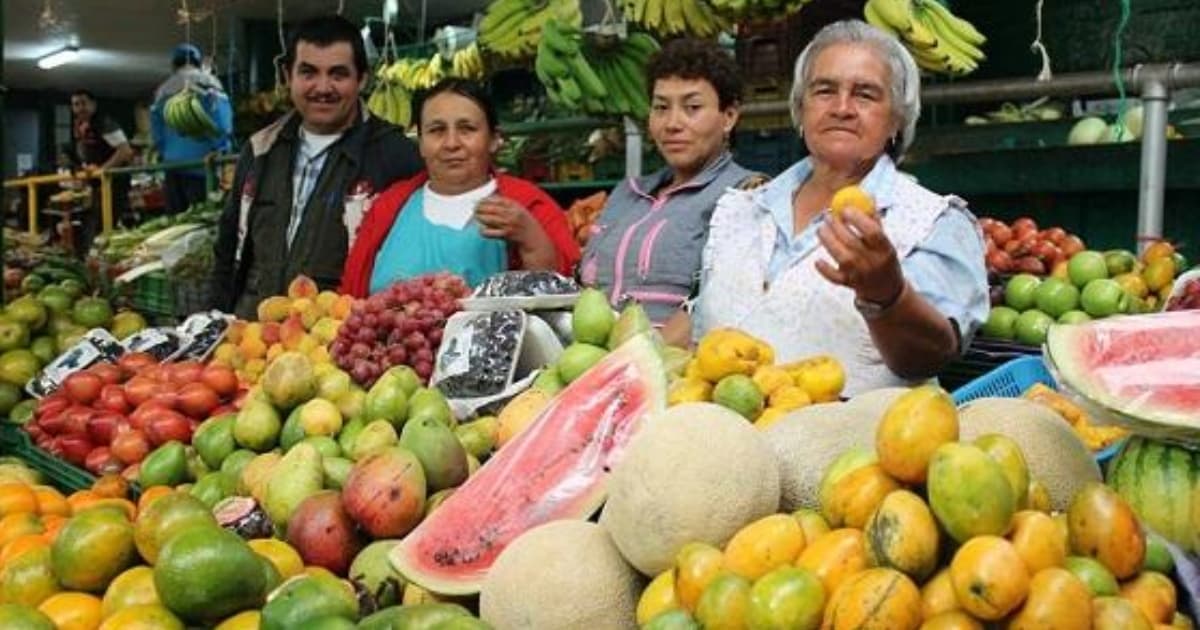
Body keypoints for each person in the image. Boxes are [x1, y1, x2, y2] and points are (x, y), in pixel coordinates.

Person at [692, 20, 989, 396]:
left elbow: (931, 356)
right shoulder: (741, 208)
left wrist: (888, 295)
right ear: (800, 109)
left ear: (896, 119)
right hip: (722, 427)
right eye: (824, 90)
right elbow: (701, 334)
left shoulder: (934, 221)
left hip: (856, 433)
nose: (842, 108)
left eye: (865, 94)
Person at [211, 14, 422, 318]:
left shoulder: (395, 156)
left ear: (362, 79)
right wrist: (214, 319)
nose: (323, 87)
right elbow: (227, 248)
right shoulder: (260, 150)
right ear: (288, 76)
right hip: (253, 333)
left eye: (338, 74)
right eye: (308, 72)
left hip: (340, 335)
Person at [578, 38, 760, 345]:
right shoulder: (626, 194)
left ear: (729, 116)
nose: (672, 123)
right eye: (661, 107)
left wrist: (638, 361)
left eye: (692, 108)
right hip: (592, 359)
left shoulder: (747, 194)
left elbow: (720, 304)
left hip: (681, 367)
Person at [340, 78, 580, 296]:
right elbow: (351, 298)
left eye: (467, 129)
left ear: (494, 139)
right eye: (437, 130)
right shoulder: (389, 207)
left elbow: (562, 295)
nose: (451, 143)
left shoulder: (528, 206)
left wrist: (531, 238)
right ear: (420, 143)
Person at [150, 43, 234, 213]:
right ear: (197, 62)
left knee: (176, 220)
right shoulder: (210, 84)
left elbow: (157, 133)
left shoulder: (163, 90)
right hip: (203, 165)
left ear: (174, 65)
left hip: (172, 166)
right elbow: (222, 122)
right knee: (202, 218)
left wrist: (165, 153)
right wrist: (222, 149)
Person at [70, 89, 134, 247]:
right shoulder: (79, 125)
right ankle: (95, 253)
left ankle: (103, 254)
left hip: (114, 181)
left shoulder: (104, 123)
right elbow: (84, 149)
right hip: (98, 182)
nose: (80, 108)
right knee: (94, 220)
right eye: (76, 104)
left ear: (93, 104)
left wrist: (102, 170)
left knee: (105, 222)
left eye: (83, 103)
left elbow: (125, 151)